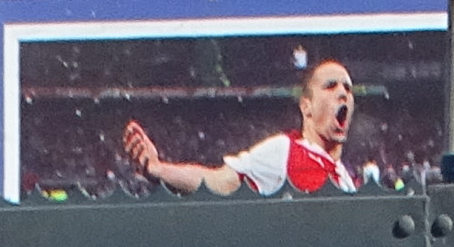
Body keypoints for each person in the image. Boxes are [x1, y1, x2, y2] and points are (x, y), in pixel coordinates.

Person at [123, 54, 357, 194]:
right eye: (330, 86)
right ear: (306, 106)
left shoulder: (344, 178)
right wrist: (159, 169)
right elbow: (219, 182)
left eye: (347, 88)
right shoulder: (285, 150)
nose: (342, 93)